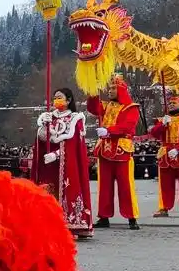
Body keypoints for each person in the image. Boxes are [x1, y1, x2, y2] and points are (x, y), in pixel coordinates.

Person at [33, 88, 93, 239]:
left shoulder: (75, 119)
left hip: (67, 164)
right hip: (49, 166)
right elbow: (41, 139)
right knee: (48, 191)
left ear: (68, 100)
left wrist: (56, 154)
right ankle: (49, 224)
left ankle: (71, 224)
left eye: (60, 97)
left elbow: (73, 145)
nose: (56, 100)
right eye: (54, 98)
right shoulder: (48, 117)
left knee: (68, 191)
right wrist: (44, 128)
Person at [86, 75, 140, 230]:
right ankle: (103, 216)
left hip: (122, 149)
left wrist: (108, 130)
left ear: (121, 90)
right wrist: (93, 91)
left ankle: (131, 217)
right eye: (108, 88)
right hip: (105, 150)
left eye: (112, 88)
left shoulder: (131, 108)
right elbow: (93, 108)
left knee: (126, 186)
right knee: (104, 186)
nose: (109, 91)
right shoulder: (106, 105)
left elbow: (128, 127)